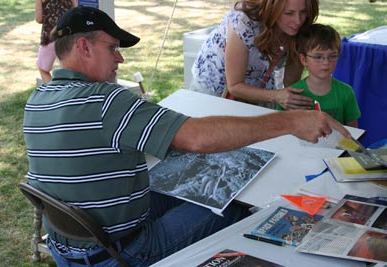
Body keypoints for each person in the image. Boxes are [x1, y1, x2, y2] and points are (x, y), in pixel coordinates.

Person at [23, 6, 350, 267]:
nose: (120, 58)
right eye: (112, 48)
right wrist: (289, 122)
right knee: (231, 205)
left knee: (185, 186)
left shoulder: (37, 100)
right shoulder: (108, 101)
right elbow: (196, 138)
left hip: (71, 245)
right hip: (121, 251)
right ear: (83, 46)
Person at [189, 0, 318, 109]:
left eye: (303, 11)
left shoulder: (300, 28)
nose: (298, 21)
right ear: (273, 10)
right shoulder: (244, 21)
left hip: (259, 89)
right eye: (289, 13)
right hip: (214, 91)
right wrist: (277, 96)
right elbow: (234, 86)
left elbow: (291, 83)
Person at [276, 24, 361, 127]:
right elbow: (280, 126)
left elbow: (353, 132)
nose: (326, 62)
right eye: (318, 57)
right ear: (303, 60)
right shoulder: (292, 94)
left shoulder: (346, 92)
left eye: (332, 56)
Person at [35, 0, 77, 83]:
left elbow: (39, 19)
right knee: (68, 69)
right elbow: (76, 12)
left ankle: (53, 92)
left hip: (50, 37)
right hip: (68, 35)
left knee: (43, 68)